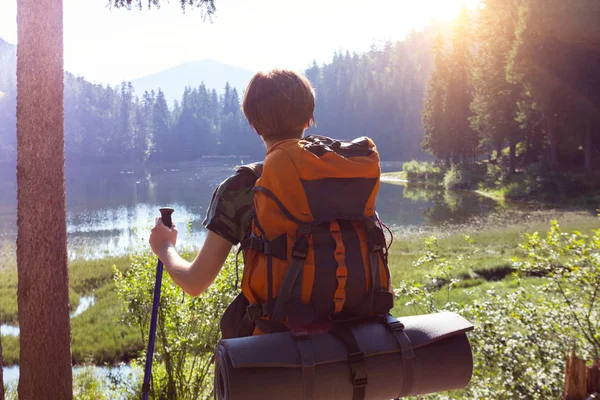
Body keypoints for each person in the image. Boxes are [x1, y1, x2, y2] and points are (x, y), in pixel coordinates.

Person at [148, 69, 317, 297]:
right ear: (309, 119)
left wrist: (164, 246)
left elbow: (194, 283)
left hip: (281, 332)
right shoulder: (341, 172)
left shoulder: (241, 188)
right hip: (356, 326)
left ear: (254, 125)